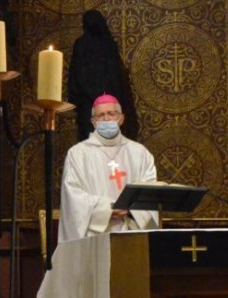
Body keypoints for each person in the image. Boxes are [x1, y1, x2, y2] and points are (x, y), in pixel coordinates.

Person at [58, 94, 159, 243]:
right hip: (93, 236)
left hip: (132, 231)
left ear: (121, 118)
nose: (106, 119)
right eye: (100, 115)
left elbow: (150, 193)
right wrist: (106, 209)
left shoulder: (140, 153)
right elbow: (73, 196)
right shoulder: (78, 154)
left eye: (111, 114)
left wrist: (131, 209)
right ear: (93, 121)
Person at [67, 10, 139, 142]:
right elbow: (118, 80)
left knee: (90, 143)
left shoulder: (82, 44)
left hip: (89, 105)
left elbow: (77, 76)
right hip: (109, 104)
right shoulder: (109, 44)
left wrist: (87, 95)